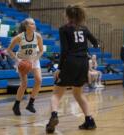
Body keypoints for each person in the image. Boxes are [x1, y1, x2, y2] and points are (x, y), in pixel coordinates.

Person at [46, 5, 97, 134]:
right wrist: (88, 48)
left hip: (70, 61)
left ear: (68, 16)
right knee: (78, 93)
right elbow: (95, 42)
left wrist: (59, 68)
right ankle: (89, 121)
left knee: (57, 94)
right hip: (83, 62)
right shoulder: (84, 28)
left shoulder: (64, 29)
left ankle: (54, 116)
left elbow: (64, 51)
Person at [7, 18, 43, 115]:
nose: (34, 26)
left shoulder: (38, 36)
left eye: (34, 24)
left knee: (39, 80)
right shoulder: (19, 37)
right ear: (26, 26)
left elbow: (41, 51)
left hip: (34, 59)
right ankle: (16, 105)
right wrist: (17, 60)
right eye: (32, 24)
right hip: (22, 60)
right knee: (24, 84)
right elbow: (9, 50)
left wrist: (34, 60)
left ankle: (30, 104)